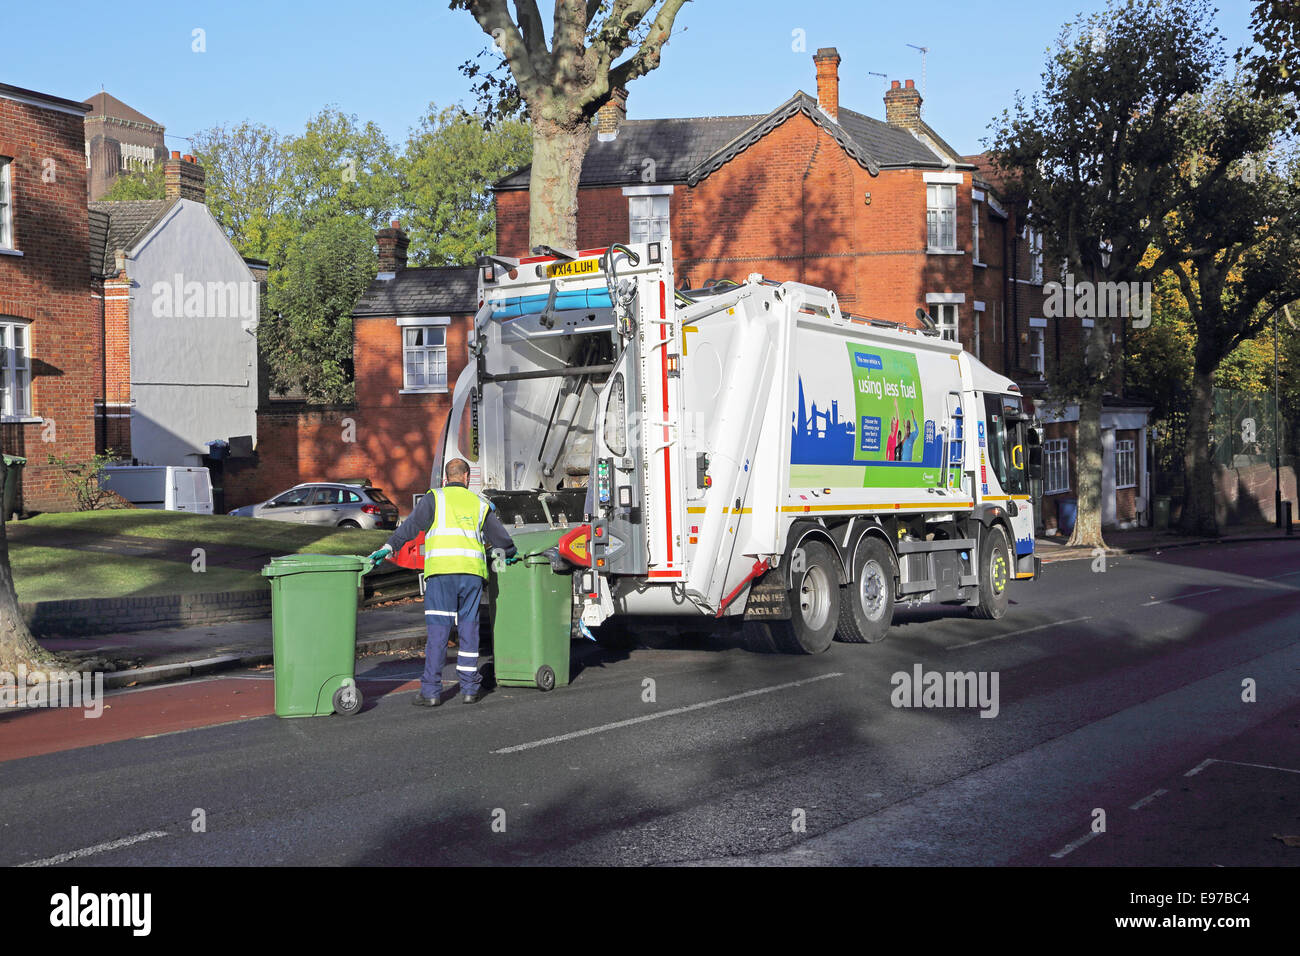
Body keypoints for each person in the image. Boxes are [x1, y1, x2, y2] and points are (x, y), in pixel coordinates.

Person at [367, 459, 516, 707]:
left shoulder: (434, 499)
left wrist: (387, 547)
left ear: (446, 478)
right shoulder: (480, 504)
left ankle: (431, 692)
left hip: (441, 575)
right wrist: (509, 554)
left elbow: (411, 527)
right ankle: (470, 688)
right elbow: (503, 541)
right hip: (471, 576)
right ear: (467, 477)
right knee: (469, 630)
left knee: (438, 633)